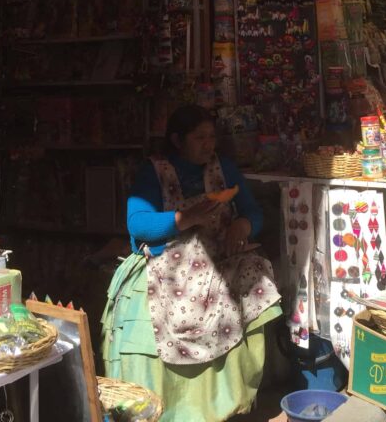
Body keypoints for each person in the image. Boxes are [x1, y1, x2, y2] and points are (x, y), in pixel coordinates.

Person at [101, 105, 281, 422]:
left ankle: (223, 400)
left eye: (212, 137)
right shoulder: (154, 171)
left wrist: (243, 225)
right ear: (177, 140)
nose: (208, 144)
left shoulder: (223, 168)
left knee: (257, 275)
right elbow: (137, 224)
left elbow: (253, 211)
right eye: (200, 138)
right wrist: (185, 219)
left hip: (217, 259)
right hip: (168, 265)